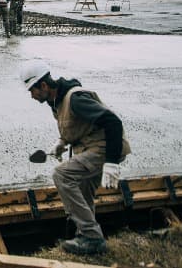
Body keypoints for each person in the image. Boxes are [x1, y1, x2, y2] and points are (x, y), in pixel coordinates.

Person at [20, 60, 131, 255]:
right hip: (89, 148)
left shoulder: (76, 99)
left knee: (62, 175)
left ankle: (92, 238)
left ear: (44, 85)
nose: (31, 96)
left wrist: (111, 163)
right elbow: (76, 125)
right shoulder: (55, 101)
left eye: (32, 90)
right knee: (83, 190)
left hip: (103, 148)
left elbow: (113, 122)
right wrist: (61, 143)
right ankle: (85, 237)